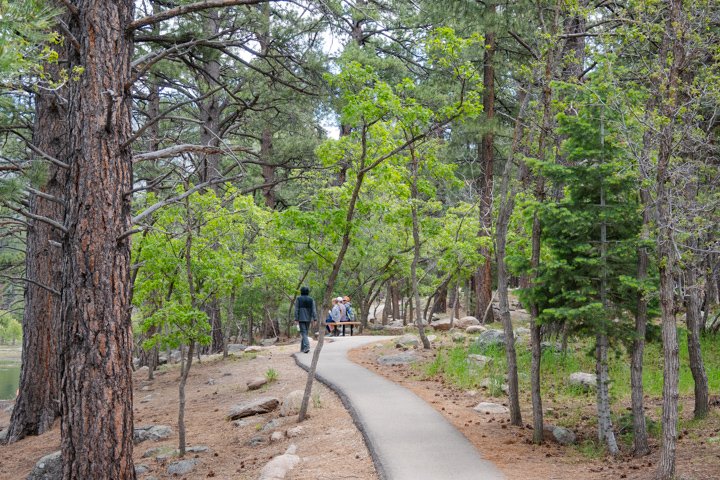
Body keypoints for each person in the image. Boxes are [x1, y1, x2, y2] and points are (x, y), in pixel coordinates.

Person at [294, 286, 316, 353]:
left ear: (301, 292)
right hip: (308, 318)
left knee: (303, 333)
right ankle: (302, 349)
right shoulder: (311, 299)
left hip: (301, 318)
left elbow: (296, 309)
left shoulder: (298, 299)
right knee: (305, 333)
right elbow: (313, 309)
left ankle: (306, 347)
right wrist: (315, 319)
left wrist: (296, 318)